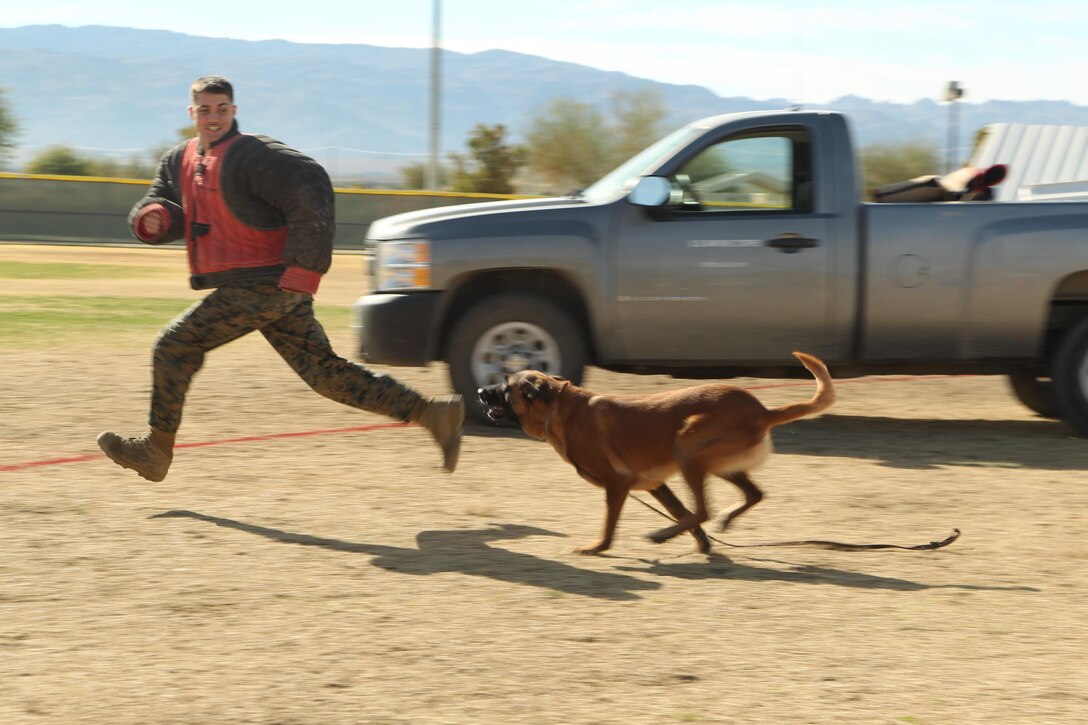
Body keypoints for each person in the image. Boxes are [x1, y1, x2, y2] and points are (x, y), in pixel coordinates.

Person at [97, 75, 463, 482]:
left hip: (268, 285)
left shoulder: (254, 154)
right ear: (191, 113)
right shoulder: (178, 158)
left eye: (221, 109)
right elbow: (162, 197)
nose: (213, 117)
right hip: (268, 288)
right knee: (325, 375)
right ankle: (434, 414)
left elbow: (311, 184)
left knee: (174, 346)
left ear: (234, 111)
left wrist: (305, 269)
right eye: (204, 109)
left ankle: (155, 451)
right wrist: (152, 218)